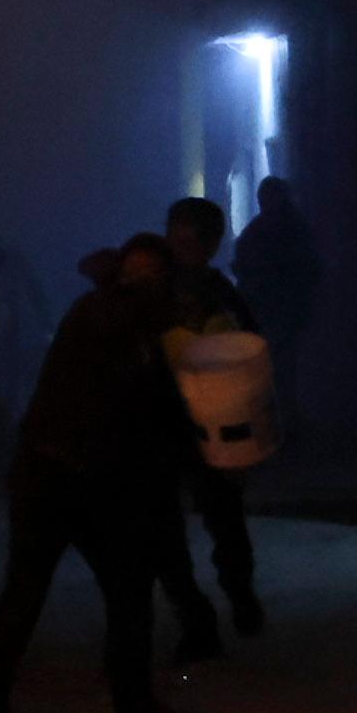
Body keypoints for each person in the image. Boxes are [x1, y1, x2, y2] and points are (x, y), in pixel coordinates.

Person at [0, 233, 189, 713]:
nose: (148, 284)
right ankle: (121, 700)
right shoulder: (112, 316)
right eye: (143, 275)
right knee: (63, 589)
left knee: (100, 590)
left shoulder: (117, 318)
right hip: (65, 475)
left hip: (68, 473)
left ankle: (0, 702)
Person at [155, 195, 263, 658]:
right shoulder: (152, 293)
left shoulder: (221, 295)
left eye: (194, 239)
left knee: (224, 521)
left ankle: (237, 598)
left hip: (210, 430)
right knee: (163, 531)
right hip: (162, 428)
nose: (186, 247)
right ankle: (197, 620)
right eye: (178, 238)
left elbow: (251, 361)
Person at [231, 175, 322, 426]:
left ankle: (281, 422)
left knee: (281, 371)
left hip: (278, 312)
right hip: (273, 312)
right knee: (280, 371)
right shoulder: (280, 229)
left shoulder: (266, 231)